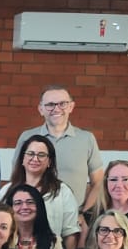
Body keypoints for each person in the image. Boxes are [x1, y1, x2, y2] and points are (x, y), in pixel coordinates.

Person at [15, 85, 104, 213]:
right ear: (41, 109)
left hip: (74, 216)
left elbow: (98, 182)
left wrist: (84, 214)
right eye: (50, 104)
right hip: (34, 215)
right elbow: (18, 177)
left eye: (62, 104)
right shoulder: (27, 138)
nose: (56, 109)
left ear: (71, 107)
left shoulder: (86, 139)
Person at [2, 135, 82, 249]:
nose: (35, 159)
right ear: (22, 159)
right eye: (30, 154)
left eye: (41, 155)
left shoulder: (62, 192)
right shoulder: (7, 190)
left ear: (49, 161)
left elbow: (70, 233)